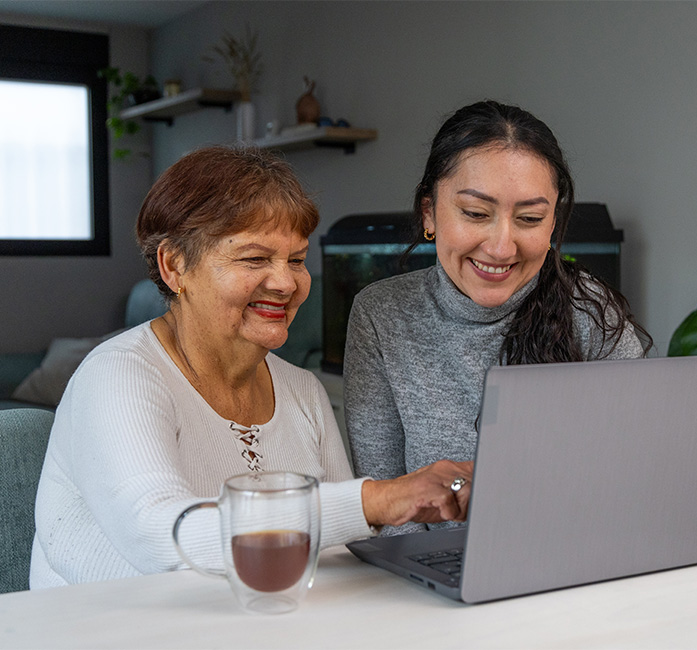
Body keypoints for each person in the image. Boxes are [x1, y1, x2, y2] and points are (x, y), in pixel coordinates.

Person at [30, 146, 471, 588]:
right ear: (174, 266)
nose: (285, 282)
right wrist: (377, 499)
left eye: (296, 260)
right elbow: (163, 541)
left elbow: (340, 552)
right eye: (255, 259)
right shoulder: (118, 376)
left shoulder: (303, 390)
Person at [344, 100, 652, 534]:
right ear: (429, 212)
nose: (502, 247)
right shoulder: (382, 316)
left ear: (553, 224)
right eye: (475, 213)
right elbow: (386, 511)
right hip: (432, 581)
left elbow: (639, 477)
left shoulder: (590, 312)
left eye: (529, 218)